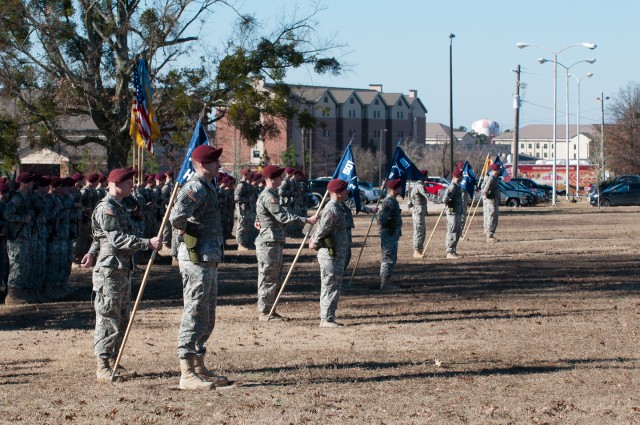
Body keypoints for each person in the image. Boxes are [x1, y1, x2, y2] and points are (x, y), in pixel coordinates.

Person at [81, 168, 161, 382]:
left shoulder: (119, 207)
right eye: (128, 183)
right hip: (110, 271)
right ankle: (103, 364)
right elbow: (116, 239)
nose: (132, 186)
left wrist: (91, 252)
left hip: (121, 268)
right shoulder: (107, 208)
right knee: (108, 316)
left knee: (122, 315)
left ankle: (114, 359)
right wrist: (147, 243)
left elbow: (99, 238)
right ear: (116, 184)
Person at [169, 145, 230, 391]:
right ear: (203, 165)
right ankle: (186, 372)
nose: (219, 166)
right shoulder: (194, 187)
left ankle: (199, 365)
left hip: (208, 257)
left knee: (207, 315)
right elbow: (177, 216)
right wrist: (189, 232)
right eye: (215, 162)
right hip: (196, 257)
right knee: (194, 312)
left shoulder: (207, 187)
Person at [255, 164, 317, 321]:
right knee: (268, 276)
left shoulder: (270, 195)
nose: (281, 179)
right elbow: (282, 216)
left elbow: (262, 215)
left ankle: (271, 309)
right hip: (268, 242)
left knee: (275, 277)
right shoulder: (269, 196)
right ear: (270, 179)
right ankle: (265, 312)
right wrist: (306, 219)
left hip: (273, 240)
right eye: (278, 177)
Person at [3, 172, 36, 304]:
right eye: (30, 182)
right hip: (17, 237)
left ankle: (19, 292)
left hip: (24, 236)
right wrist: (22, 219)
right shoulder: (17, 198)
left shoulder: (26, 197)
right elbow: (7, 214)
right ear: (24, 183)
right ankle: (12, 296)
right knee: (17, 265)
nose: (32, 184)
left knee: (24, 265)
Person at [377, 178, 403, 290]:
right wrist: (390, 224)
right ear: (394, 189)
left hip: (392, 234)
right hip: (389, 233)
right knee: (388, 257)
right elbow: (381, 219)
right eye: (399, 187)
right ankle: (385, 283)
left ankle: (386, 280)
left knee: (391, 257)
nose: (401, 188)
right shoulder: (389, 202)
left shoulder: (393, 201)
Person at [235, 167, 256, 250]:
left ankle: (247, 242)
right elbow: (236, 197)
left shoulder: (247, 185)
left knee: (248, 227)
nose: (251, 175)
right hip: (243, 211)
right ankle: (241, 243)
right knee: (242, 227)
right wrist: (247, 200)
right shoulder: (241, 185)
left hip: (248, 210)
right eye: (249, 174)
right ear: (244, 174)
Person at [444, 167, 464, 259]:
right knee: (452, 231)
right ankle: (449, 251)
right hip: (453, 213)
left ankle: (453, 250)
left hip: (457, 212)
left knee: (457, 231)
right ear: (458, 177)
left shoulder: (457, 186)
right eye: (461, 176)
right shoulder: (453, 186)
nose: (463, 177)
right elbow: (445, 198)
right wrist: (449, 201)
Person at [409, 169, 429, 258]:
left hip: (420, 212)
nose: (427, 177)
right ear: (423, 176)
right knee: (419, 231)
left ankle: (419, 250)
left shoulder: (419, 185)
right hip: (417, 212)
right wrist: (438, 199)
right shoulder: (419, 186)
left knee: (422, 231)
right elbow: (427, 195)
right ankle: (416, 251)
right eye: (426, 175)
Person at [482, 163, 501, 243]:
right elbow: (485, 189)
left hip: (494, 201)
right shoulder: (491, 178)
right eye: (498, 169)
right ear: (495, 170)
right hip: (491, 201)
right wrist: (487, 197)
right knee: (491, 218)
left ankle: (490, 234)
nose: (499, 171)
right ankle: (489, 236)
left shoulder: (495, 178)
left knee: (493, 218)